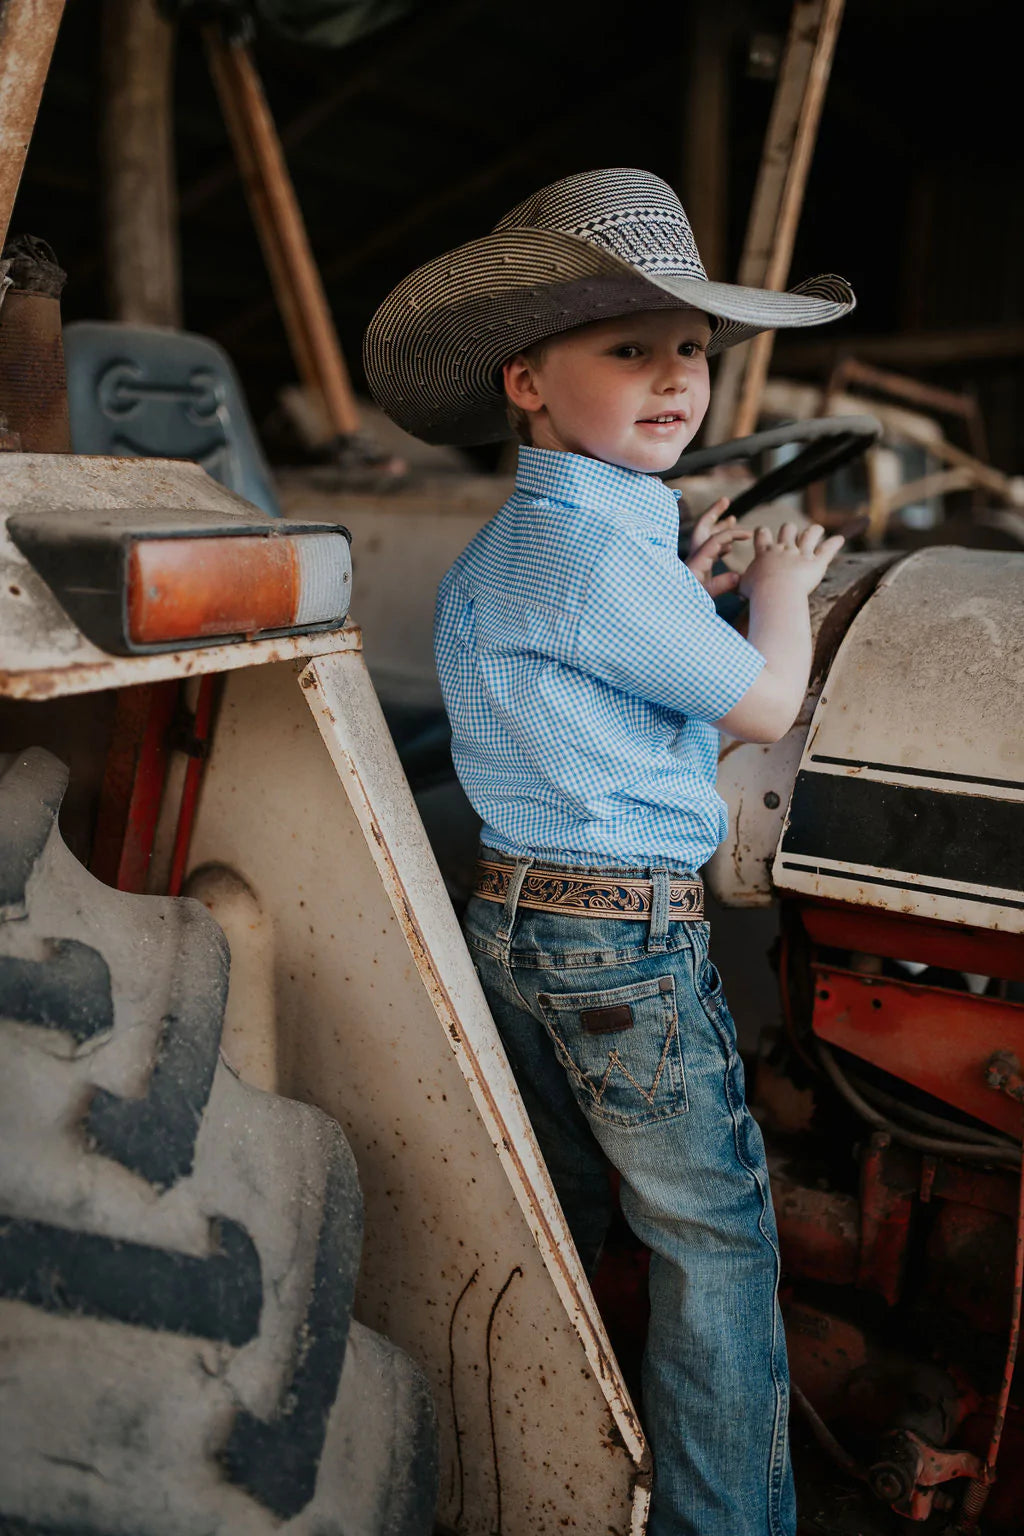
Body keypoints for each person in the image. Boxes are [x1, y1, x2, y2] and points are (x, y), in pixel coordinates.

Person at [364, 167, 854, 1536]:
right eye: (628, 347)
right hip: (626, 941)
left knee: (561, 1213)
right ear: (524, 379)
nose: (674, 378)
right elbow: (763, 706)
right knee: (714, 1238)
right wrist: (781, 592)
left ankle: (543, 1476)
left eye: (691, 351)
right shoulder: (598, 564)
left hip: (518, 924)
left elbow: (592, 681)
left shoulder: (534, 546)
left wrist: (690, 577)